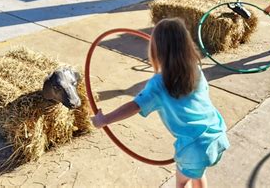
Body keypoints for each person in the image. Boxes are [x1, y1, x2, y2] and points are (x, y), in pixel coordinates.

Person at [91, 18, 229, 188]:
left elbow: (133, 106)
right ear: (186, 45)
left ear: (156, 51)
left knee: (182, 181)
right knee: (197, 171)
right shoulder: (195, 69)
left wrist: (104, 120)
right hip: (217, 135)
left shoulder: (158, 84)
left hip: (193, 148)